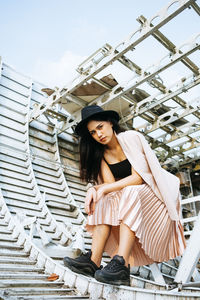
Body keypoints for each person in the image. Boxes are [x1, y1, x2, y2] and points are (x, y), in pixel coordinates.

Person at [63, 105, 186, 286]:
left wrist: (102, 189)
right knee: (105, 198)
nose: (99, 134)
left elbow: (138, 178)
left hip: (157, 196)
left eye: (100, 127)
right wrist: (94, 189)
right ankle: (93, 261)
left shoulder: (131, 138)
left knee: (127, 191)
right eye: (93, 132)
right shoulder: (101, 154)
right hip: (135, 200)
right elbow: (111, 187)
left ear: (110, 123)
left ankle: (121, 262)